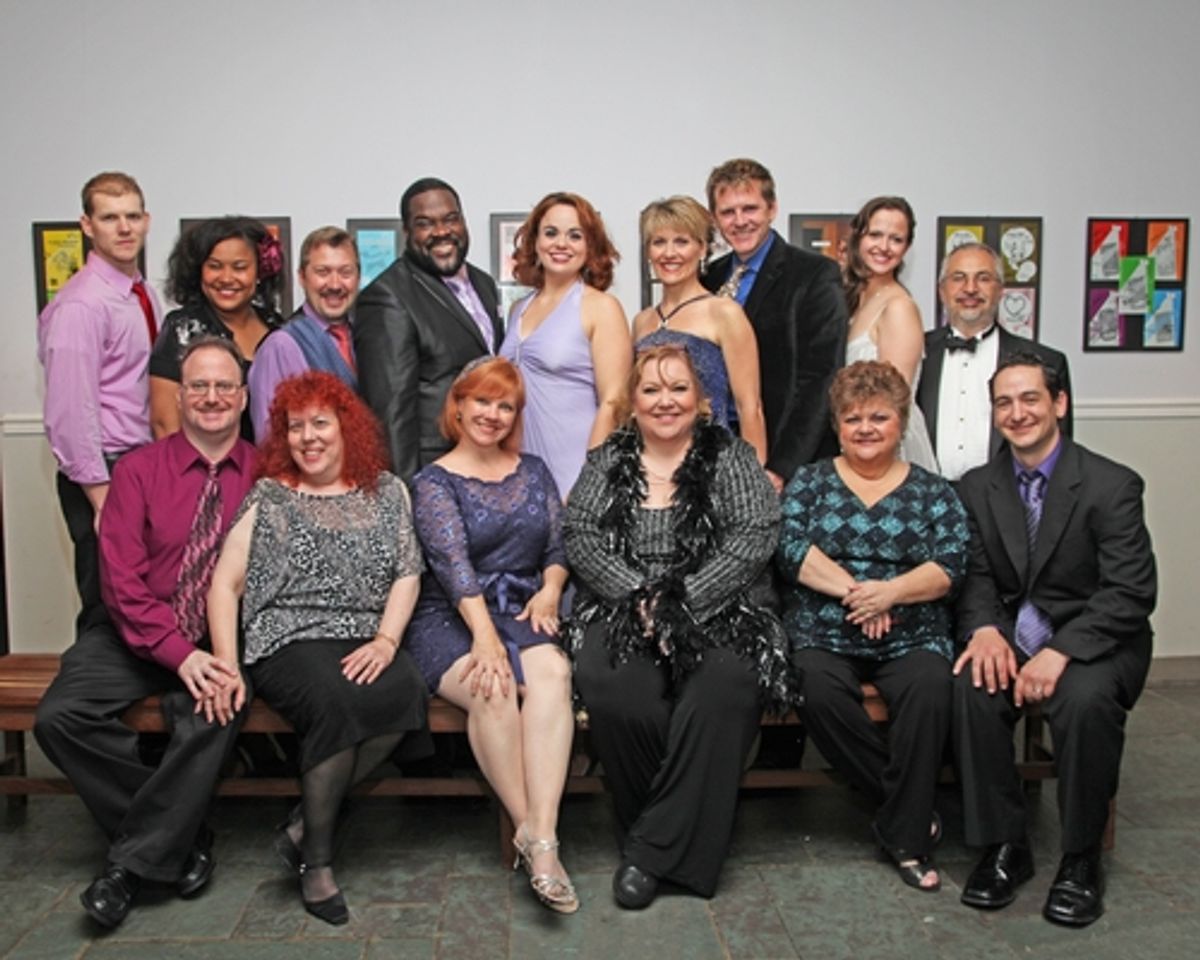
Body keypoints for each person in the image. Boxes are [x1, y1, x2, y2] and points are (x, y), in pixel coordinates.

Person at [34, 337, 257, 929]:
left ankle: (127, 869)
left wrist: (211, 655)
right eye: (199, 387)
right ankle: (180, 837)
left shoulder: (266, 477)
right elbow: (120, 582)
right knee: (59, 718)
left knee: (215, 713)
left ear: (243, 396)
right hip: (134, 631)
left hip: (218, 638)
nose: (212, 398)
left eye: (224, 386)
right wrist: (177, 653)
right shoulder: (136, 470)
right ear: (179, 397)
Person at [564, 345, 790, 909]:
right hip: (622, 609)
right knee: (619, 692)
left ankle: (647, 853)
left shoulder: (732, 457)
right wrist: (642, 599)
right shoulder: (607, 460)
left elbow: (754, 536)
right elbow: (581, 536)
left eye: (679, 389)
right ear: (632, 403)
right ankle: (671, 836)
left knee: (721, 691)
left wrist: (680, 601)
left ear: (703, 400)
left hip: (721, 607)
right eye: (651, 390)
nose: (665, 401)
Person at [208, 370, 428, 925]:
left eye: (320, 424)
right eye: (295, 426)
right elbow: (225, 584)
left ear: (346, 429)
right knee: (338, 702)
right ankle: (318, 862)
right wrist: (228, 666)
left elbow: (408, 573)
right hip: (288, 636)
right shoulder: (272, 496)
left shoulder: (388, 491)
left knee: (405, 692)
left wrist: (385, 639)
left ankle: (302, 824)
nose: (308, 437)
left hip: (364, 634)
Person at [953, 353, 1156, 927]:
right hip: (1012, 631)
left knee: (1085, 702)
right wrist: (985, 629)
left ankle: (1080, 858)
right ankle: (1003, 847)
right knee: (970, 684)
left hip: (1095, 638)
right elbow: (976, 576)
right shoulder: (977, 487)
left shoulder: (1111, 485)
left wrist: (1061, 651)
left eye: (1030, 399)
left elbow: (1130, 592)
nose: (1017, 413)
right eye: (1004, 403)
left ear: (1059, 404)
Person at [777, 360, 967, 892]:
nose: (865, 428)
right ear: (837, 424)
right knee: (815, 688)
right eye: (853, 418)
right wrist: (860, 594)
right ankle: (908, 816)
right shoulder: (810, 483)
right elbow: (790, 550)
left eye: (878, 417)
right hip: (826, 627)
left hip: (912, 628)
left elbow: (951, 564)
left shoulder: (934, 492)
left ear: (900, 423)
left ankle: (903, 830)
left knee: (931, 688)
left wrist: (892, 593)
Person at [405, 357, 577, 914]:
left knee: (554, 673)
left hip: (524, 607)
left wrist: (551, 590)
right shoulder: (432, 482)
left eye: (505, 405)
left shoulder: (533, 470)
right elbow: (452, 565)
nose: (492, 414)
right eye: (482, 401)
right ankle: (531, 834)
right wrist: (483, 638)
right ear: (457, 405)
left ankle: (540, 837)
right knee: (493, 687)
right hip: (450, 617)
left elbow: (556, 547)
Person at [37, 171, 160, 633]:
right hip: (103, 472)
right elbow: (70, 412)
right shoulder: (81, 305)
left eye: (132, 215)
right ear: (87, 225)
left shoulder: (141, 294)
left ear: (147, 220)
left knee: (141, 601)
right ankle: (82, 704)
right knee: (105, 604)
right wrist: (101, 496)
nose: (124, 228)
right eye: (110, 217)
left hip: (138, 464)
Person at [703, 158, 846, 490]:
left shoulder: (814, 275)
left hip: (786, 464)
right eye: (727, 212)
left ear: (772, 209)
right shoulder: (708, 277)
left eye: (750, 208)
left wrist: (781, 468)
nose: (740, 221)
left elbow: (821, 379)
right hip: (714, 458)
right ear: (715, 218)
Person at [355, 177, 503, 481]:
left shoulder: (484, 284)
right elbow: (390, 417)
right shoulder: (387, 297)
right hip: (434, 474)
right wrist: (406, 502)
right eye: (425, 223)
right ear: (407, 232)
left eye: (451, 219)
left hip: (488, 465)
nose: (441, 232)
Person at [499, 191, 632, 496]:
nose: (561, 244)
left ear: (590, 246)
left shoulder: (601, 307)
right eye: (551, 233)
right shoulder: (518, 309)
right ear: (535, 241)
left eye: (575, 235)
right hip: (519, 474)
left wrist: (589, 482)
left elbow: (613, 401)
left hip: (575, 474)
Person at [917, 242, 1073, 481]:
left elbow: (1059, 455)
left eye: (983, 278)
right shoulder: (915, 354)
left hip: (1007, 503)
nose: (970, 288)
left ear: (1000, 290)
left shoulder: (1046, 361)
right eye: (958, 278)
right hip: (928, 500)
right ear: (942, 290)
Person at [632, 195, 767, 463]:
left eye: (681, 241)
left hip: (713, 465)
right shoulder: (641, 321)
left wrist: (755, 484)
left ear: (703, 248)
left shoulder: (724, 313)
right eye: (659, 242)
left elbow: (749, 407)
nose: (669, 253)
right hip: (653, 466)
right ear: (648, 251)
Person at [150, 216, 284, 440]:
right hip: (199, 470)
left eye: (239, 267)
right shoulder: (182, 329)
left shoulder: (277, 326)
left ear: (260, 272)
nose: (226, 278)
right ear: (198, 271)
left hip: (267, 470)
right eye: (214, 266)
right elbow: (165, 424)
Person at [841, 197, 938, 472]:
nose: (883, 247)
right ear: (858, 237)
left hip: (888, 447)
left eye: (896, 239)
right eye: (875, 235)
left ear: (906, 247)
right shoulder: (857, 300)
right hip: (858, 439)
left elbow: (894, 400)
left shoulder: (898, 307)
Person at [248, 227, 361, 441]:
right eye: (323, 272)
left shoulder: (366, 335)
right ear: (302, 277)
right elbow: (270, 439)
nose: (335, 284)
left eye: (345, 272)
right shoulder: (280, 346)